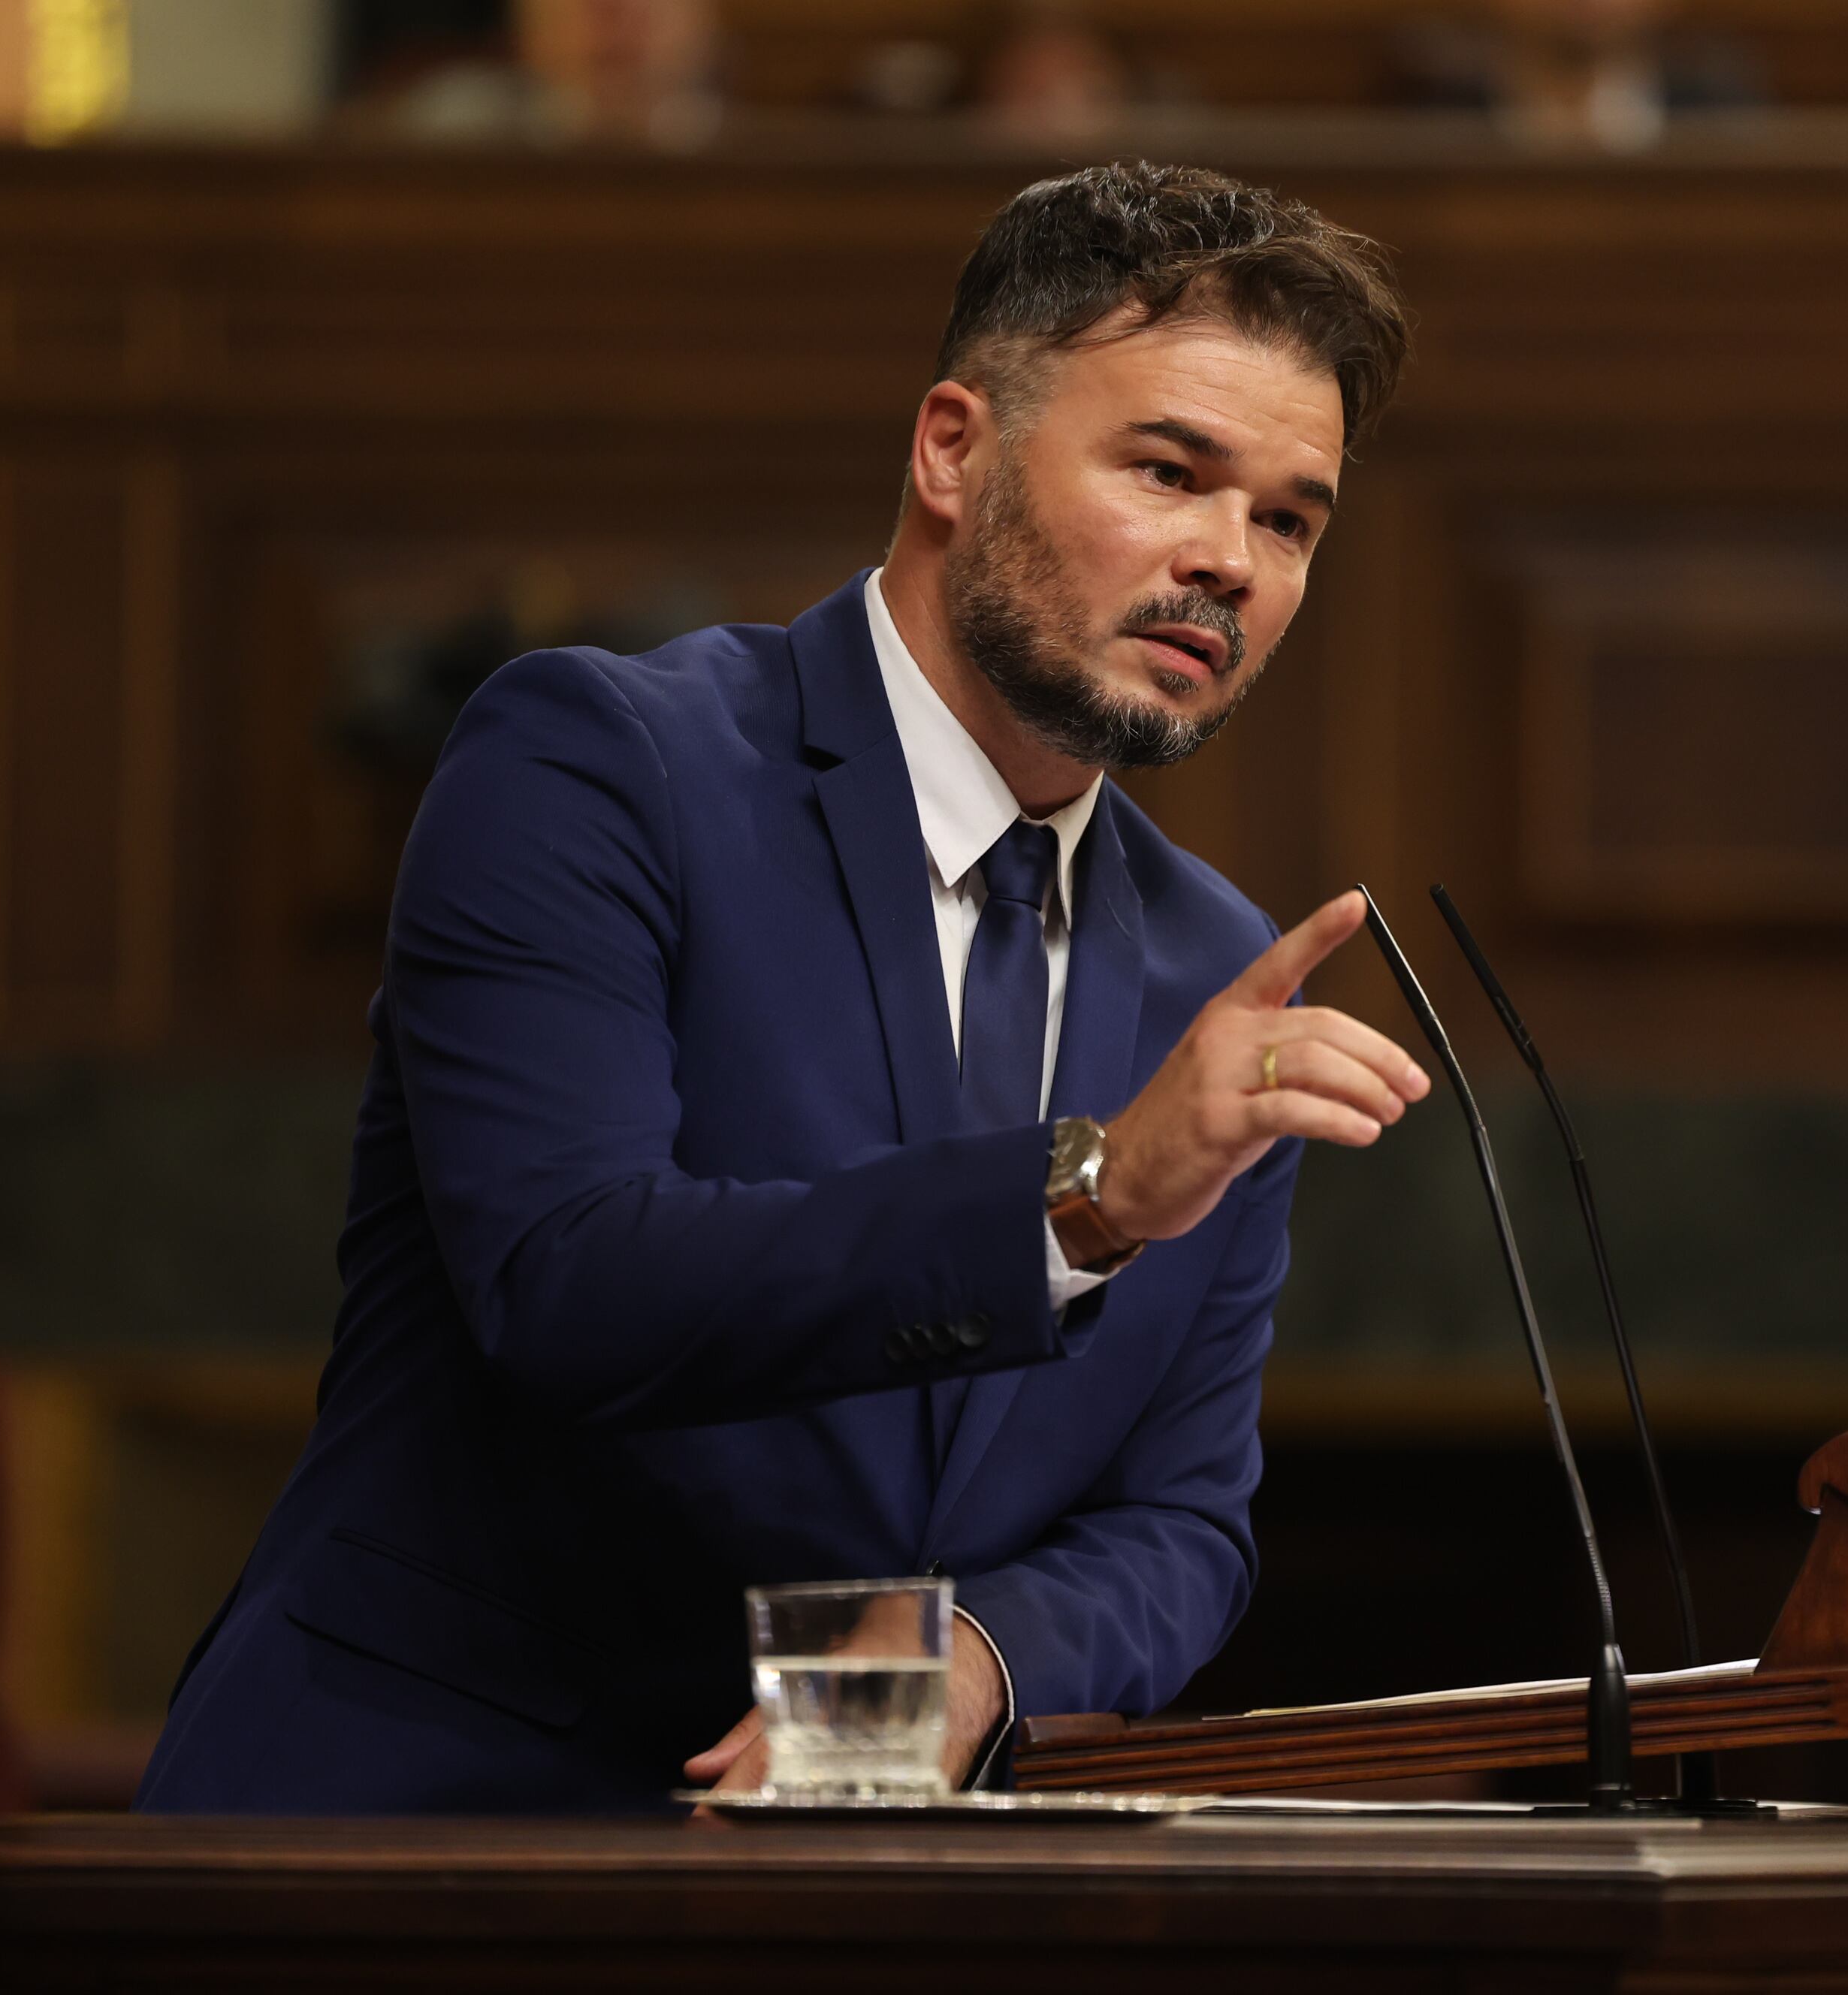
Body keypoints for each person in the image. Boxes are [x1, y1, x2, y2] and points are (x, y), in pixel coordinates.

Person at [135, 161, 1424, 1811]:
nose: (1233, 560)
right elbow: (569, 1277)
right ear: (952, 448)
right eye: (1172, 470)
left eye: (1289, 520)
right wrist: (1085, 1200)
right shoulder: (604, 764)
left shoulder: (1215, 968)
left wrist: (976, 1657)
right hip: (417, 1837)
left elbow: (1178, 1517)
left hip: (826, 1887)